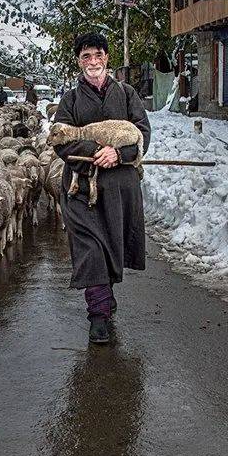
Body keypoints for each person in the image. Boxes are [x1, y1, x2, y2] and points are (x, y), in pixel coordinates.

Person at [52, 33, 150, 345]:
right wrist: (96, 152)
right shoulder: (70, 101)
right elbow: (61, 140)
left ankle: (104, 295)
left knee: (111, 246)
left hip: (120, 189)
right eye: (86, 57)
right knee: (91, 249)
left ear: (106, 58)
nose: (92, 62)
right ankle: (98, 315)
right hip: (81, 190)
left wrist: (119, 154)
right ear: (79, 61)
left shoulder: (126, 93)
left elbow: (142, 134)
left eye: (97, 55)